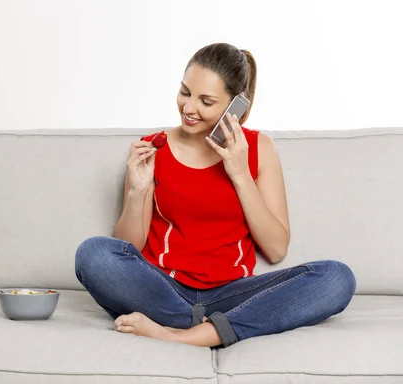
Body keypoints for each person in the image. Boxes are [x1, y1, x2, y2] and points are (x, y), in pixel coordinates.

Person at [74, 43, 356, 348]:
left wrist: (239, 173)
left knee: (337, 278)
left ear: (237, 107)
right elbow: (130, 246)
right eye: (185, 92)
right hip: (165, 288)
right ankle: (214, 329)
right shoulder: (155, 147)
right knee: (93, 254)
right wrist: (138, 191)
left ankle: (186, 333)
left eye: (206, 101)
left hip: (233, 294)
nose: (188, 108)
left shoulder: (259, 148)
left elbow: (276, 249)